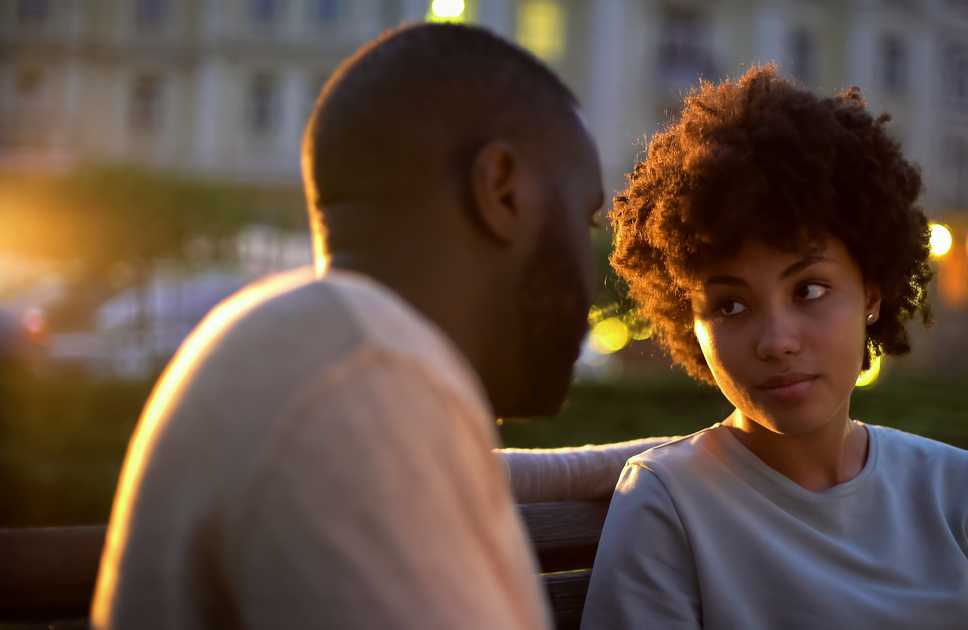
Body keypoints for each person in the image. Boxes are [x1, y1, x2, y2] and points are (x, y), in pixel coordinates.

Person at [92, 23, 603, 630]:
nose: (593, 278)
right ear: (503, 192)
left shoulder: (311, 349)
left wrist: (696, 452)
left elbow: (493, 469)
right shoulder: (366, 379)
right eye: (586, 218)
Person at [543, 66, 968, 629]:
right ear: (689, 321)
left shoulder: (959, 489)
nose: (777, 342)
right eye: (730, 305)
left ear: (872, 293)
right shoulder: (669, 503)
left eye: (809, 290)